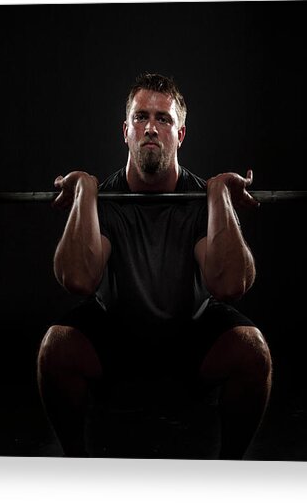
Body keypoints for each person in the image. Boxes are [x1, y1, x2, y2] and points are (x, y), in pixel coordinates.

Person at [37, 73, 272, 460]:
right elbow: (78, 279)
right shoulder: (106, 199)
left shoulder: (201, 198)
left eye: (163, 119)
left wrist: (219, 198)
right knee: (55, 349)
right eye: (141, 117)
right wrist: (83, 192)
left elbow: (230, 285)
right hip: (118, 338)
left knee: (253, 351)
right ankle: (74, 469)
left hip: (189, 339)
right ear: (125, 130)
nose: (151, 127)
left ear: (179, 135)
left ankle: (231, 475)